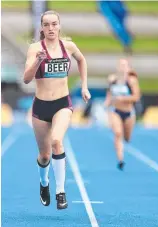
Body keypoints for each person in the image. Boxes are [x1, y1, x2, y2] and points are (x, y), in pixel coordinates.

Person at [23, 10, 91, 209]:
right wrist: (38, 60)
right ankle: (44, 183)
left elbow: (82, 60)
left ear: (59, 26)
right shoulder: (35, 49)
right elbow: (26, 79)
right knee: (44, 156)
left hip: (62, 103)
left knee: (57, 142)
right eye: (47, 25)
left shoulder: (68, 46)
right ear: (42, 28)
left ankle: (61, 192)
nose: (51, 28)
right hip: (41, 106)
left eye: (54, 24)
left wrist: (84, 86)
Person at [104, 59, 140, 170]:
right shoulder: (112, 79)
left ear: (128, 68)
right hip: (115, 110)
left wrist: (123, 98)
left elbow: (136, 97)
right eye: (120, 65)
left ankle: (124, 143)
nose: (122, 67)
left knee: (127, 138)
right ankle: (120, 160)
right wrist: (106, 103)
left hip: (129, 112)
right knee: (118, 133)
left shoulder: (132, 80)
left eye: (125, 65)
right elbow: (110, 94)